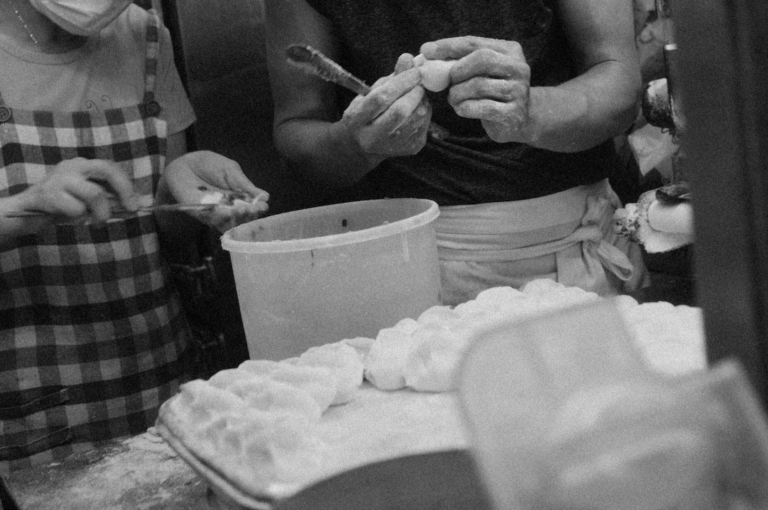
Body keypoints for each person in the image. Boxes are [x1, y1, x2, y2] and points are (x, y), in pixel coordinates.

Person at [0, 0, 268, 472]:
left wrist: (182, 187)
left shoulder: (146, 37)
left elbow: (163, 228)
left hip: (154, 380)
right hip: (21, 409)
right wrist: (22, 208)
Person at [264, 0, 649, 306]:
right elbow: (297, 135)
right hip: (402, 272)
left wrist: (533, 112)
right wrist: (356, 145)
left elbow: (619, 83)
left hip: (569, 255)